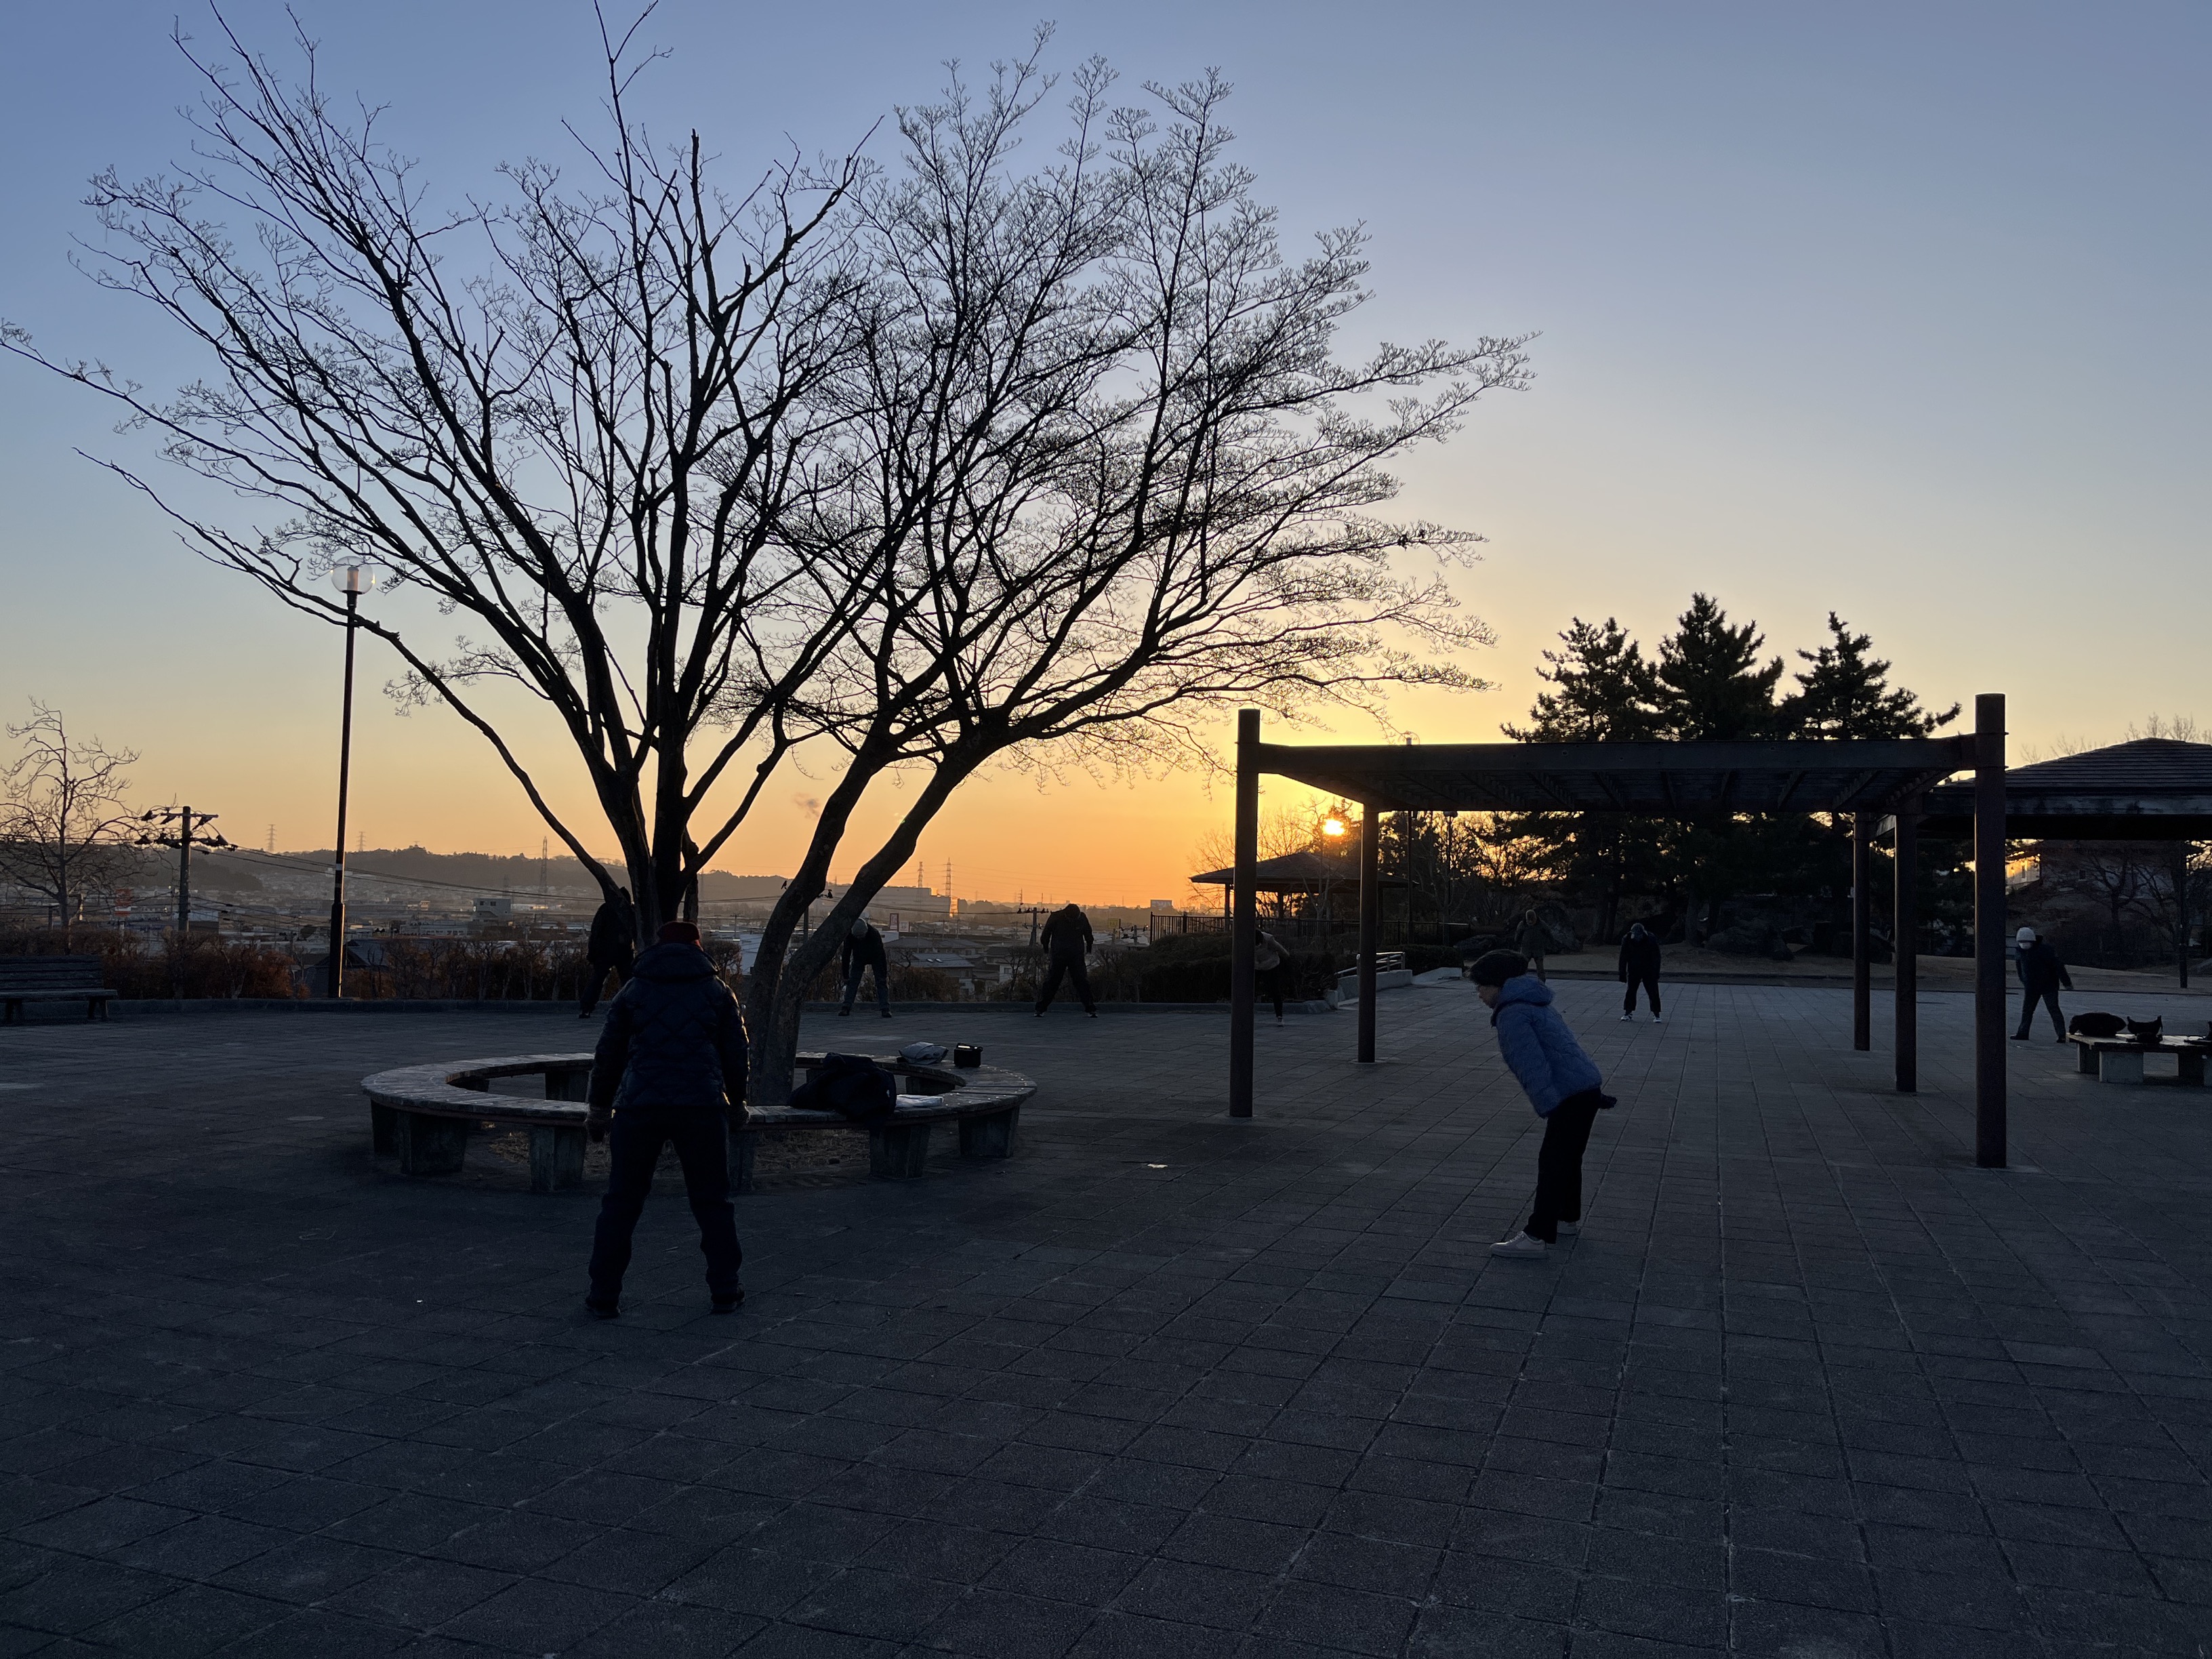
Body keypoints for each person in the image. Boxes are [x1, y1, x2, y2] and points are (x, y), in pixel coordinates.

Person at [583, 920, 746, 1317]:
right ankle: (725, 1290)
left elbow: (608, 1057)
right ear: (698, 946)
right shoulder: (718, 991)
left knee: (621, 1202)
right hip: (702, 1106)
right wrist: (738, 1103)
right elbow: (737, 1055)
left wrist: (600, 1109)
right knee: (713, 1203)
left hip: (640, 1105)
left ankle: (604, 1295)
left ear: (656, 946)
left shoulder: (633, 990)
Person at [1471, 949, 1612, 1259]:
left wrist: (1552, 1106)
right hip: (1584, 1087)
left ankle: (1537, 1236)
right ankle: (1566, 1218)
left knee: (1553, 1161)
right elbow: (1566, 1048)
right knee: (1568, 1159)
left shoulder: (1512, 1014)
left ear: (1498, 984)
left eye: (1482, 987)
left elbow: (1532, 1067)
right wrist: (1590, 1094)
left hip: (1569, 1095)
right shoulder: (1535, 1002)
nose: (1479, 994)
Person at [579, 887, 637, 1018]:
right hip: (624, 951)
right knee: (628, 981)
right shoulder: (630, 910)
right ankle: (631, 1007)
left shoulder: (605, 909)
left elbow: (595, 932)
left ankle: (586, 1008)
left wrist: (592, 952)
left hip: (604, 951)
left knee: (597, 980)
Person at [1034, 902, 1097, 1017]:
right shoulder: (1056, 917)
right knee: (1054, 982)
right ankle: (1041, 1009)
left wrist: (1089, 946)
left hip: (1073, 955)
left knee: (1080, 982)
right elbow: (1046, 933)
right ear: (1066, 915)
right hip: (1061, 955)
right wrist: (1045, 948)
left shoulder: (1081, 918)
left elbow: (1088, 933)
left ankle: (1090, 1009)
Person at [2013, 926, 2073, 1042]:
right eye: (2021, 942)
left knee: (2053, 1009)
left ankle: (2061, 1035)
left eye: (2026, 942)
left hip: (2048, 985)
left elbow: (2058, 967)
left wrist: (2066, 982)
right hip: (2031, 986)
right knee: (2027, 1011)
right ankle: (2023, 1033)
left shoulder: (2045, 950)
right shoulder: (2020, 952)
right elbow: (2019, 968)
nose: (2024, 945)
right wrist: (2024, 981)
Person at [839, 918, 892, 1018]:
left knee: (881, 982)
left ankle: (885, 1009)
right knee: (853, 982)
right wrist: (846, 975)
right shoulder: (849, 935)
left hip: (875, 957)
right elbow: (846, 954)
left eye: (862, 936)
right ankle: (846, 1007)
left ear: (866, 931)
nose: (860, 938)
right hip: (859, 958)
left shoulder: (874, 934)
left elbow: (881, 954)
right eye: (858, 937)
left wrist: (884, 973)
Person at [1617, 922, 1663, 1023]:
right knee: (1631, 991)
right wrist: (1622, 974)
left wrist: (1656, 972)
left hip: (1649, 969)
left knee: (1653, 992)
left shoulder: (1651, 938)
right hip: (1634, 969)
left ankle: (1657, 1014)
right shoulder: (1627, 938)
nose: (1637, 938)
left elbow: (1656, 957)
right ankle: (1628, 1012)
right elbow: (1623, 957)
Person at [1254, 928, 1292, 1025]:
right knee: (1251, 990)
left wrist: (1287, 956)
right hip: (1257, 966)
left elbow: (1280, 948)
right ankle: (1246, 1014)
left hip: (1271, 964)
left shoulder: (1268, 939)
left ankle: (1279, 1016)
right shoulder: (1246, 939)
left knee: (1275, 990)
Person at [1513, 908, 1551, 983]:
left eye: (1532, 920)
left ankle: (1542, 983)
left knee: (1540, 969)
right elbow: (1518, 936)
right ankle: (1521, 982)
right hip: (1526, 949)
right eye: (1529, 921)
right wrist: (1517, 943)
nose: (1530, 922)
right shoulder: (1522, 925)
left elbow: (1549, 934)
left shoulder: (1541, 924)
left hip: (1538, 949)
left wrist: (1550, 944)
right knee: (1523, 967)